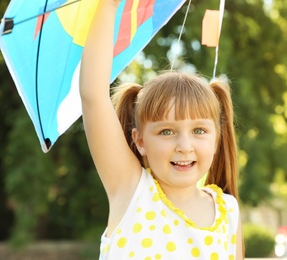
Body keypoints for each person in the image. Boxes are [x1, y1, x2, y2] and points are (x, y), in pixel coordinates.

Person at [80, 0, 243, 259]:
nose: (184, 145)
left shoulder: (229, 210)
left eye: (199, 130)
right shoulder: (131, 191)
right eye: (167, 131)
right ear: (140, 140)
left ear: (216, 138)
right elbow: (93, 95)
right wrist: (109, 6)